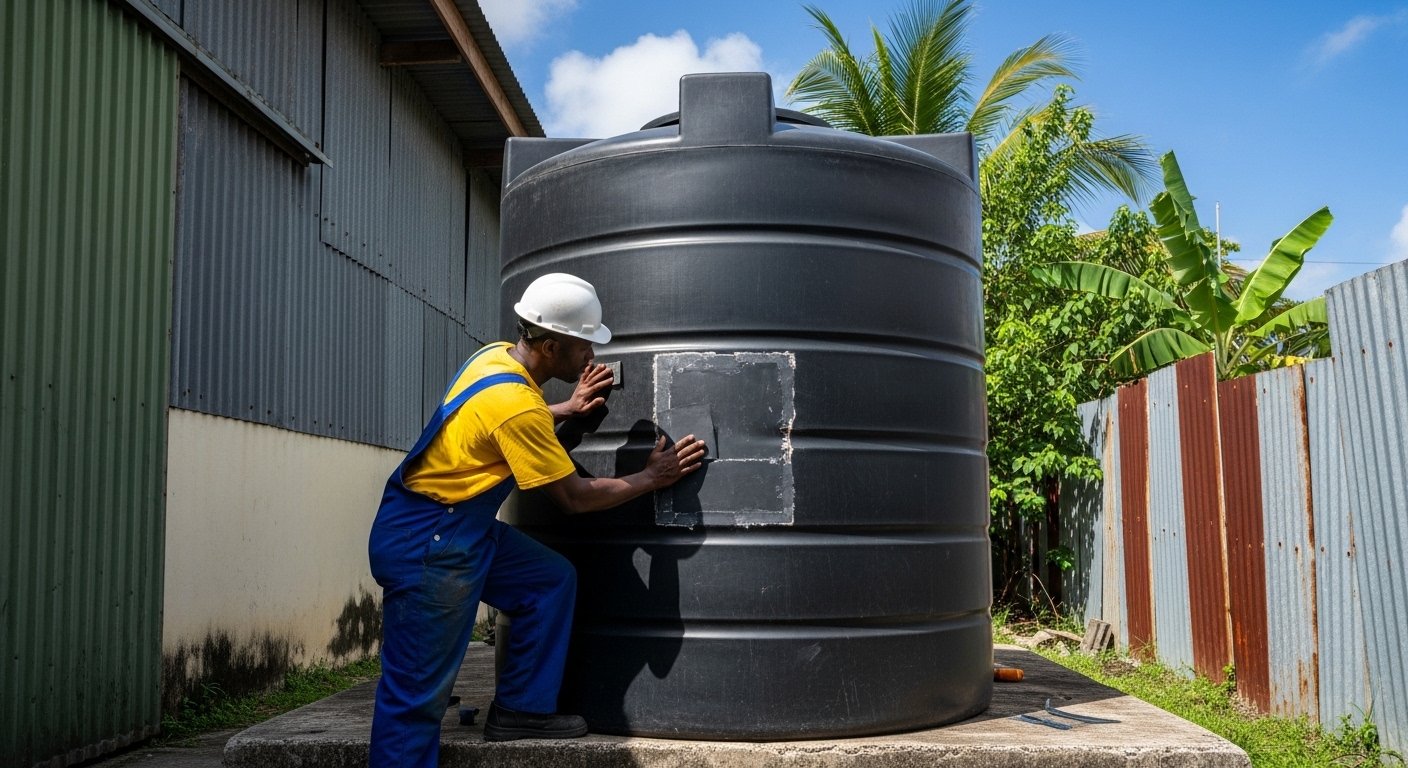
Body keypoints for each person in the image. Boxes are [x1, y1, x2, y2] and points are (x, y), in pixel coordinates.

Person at [367, 273, 706, 765]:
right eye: (583, 346)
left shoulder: (495, 357)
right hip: (427, 544)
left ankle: (520, 710)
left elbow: (504, 419)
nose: (591, 356)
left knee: (548, 581)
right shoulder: (517, 407)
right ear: (550, 347)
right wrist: (652, 477)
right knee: (414, 699)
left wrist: (566, 408)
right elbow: (574, 498)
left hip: (459, 526)